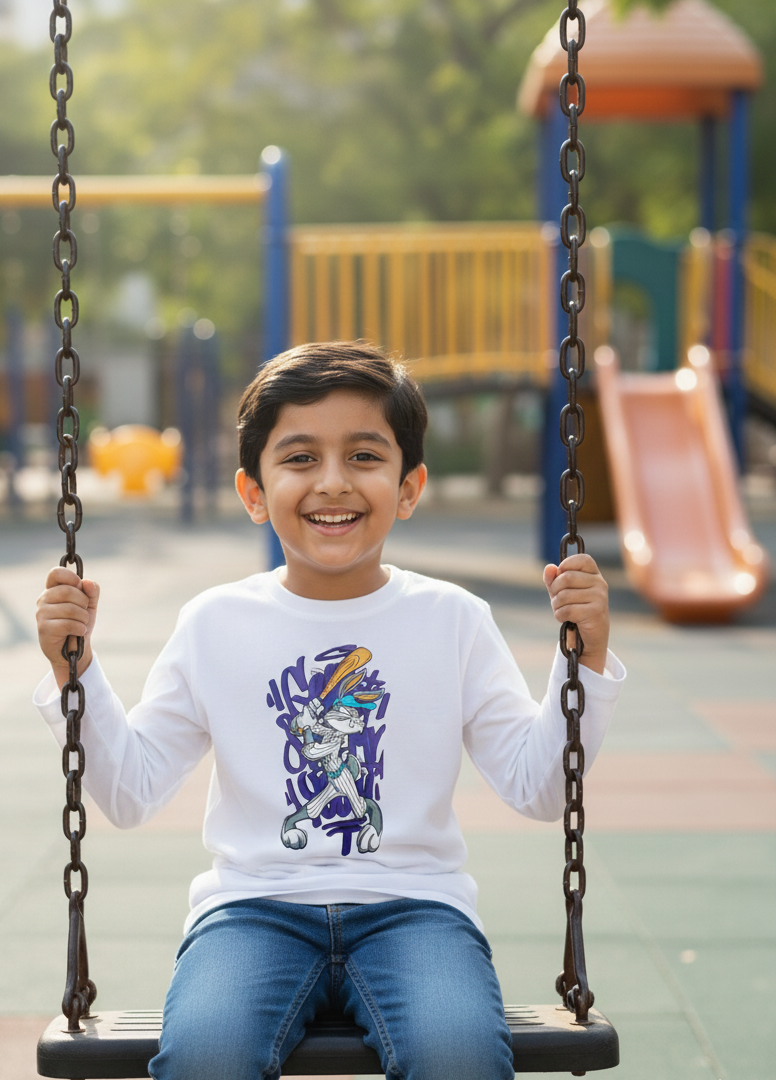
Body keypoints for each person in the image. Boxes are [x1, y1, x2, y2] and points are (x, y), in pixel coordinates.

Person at [35, 341, 624, 1080]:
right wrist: (75, 672)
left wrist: (585, 660)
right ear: (255, 492)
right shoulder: (216, 623)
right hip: (252, 909)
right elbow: (130, 790)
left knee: (460, 1057)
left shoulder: (453, 620)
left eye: (366, 457)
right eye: (302, 458)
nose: (334, 484)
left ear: (409, 488)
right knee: (205, 1057)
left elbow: (540, 786)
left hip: (416, 908)